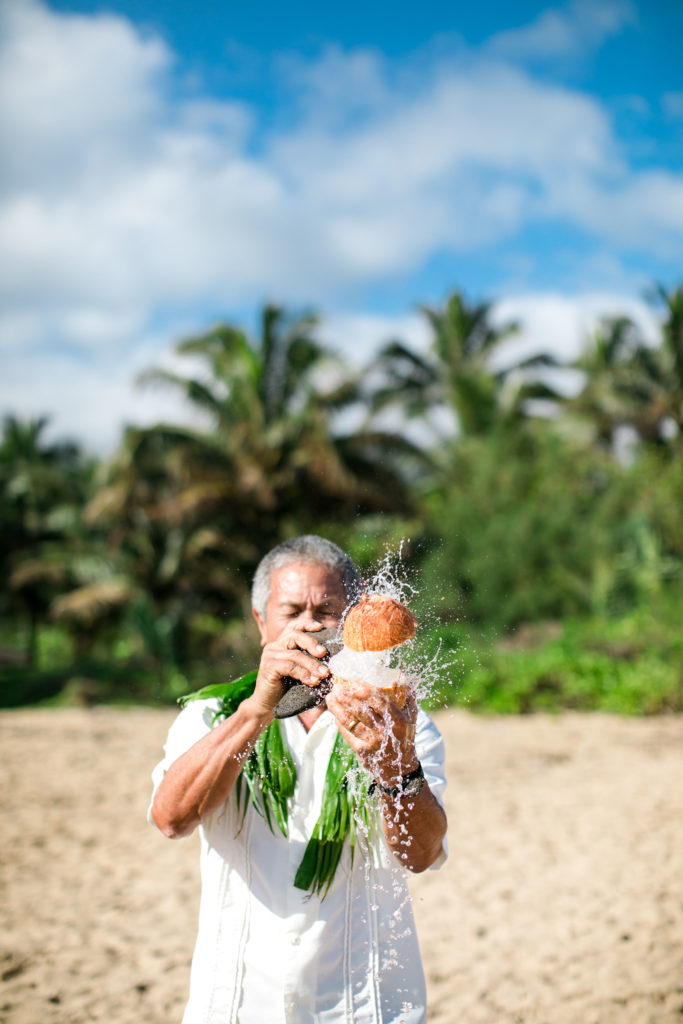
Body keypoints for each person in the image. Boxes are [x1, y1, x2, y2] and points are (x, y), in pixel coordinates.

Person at [149, 534, 448, 1024]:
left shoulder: (399, 723)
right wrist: (257, 710)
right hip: (237, 1007)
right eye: (291, 611)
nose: (309, 624)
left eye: (327, 610)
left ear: (352, 621)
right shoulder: (210, 716)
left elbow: (421, 856)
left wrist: (395, 765)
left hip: (364, 1008)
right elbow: (171, 819)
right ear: (260, 622)